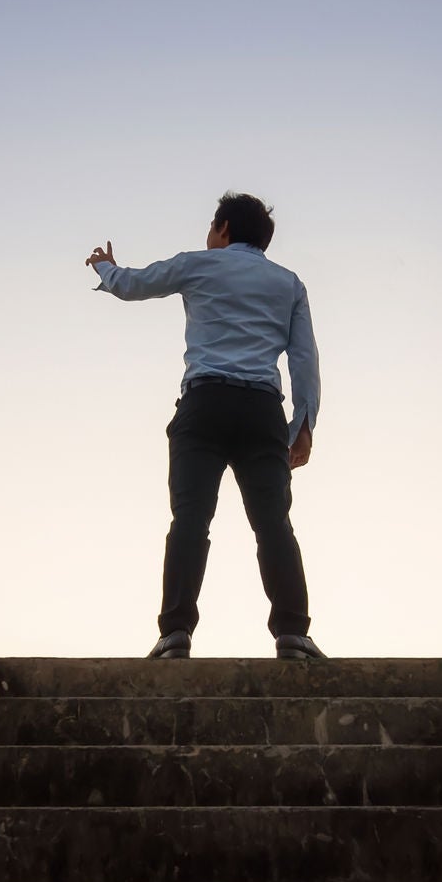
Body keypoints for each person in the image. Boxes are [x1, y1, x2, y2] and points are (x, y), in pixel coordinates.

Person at [87, 191, 326, 660]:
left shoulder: (198, 264)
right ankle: (293, 634)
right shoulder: (289, 284)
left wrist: (104, 268)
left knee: (191, 520)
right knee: (273, 524)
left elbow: (133, 284)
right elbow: (304, 360)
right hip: (262, 411)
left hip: (204, 404)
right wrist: (303, 424)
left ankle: (176, 631)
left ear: (222, 228)